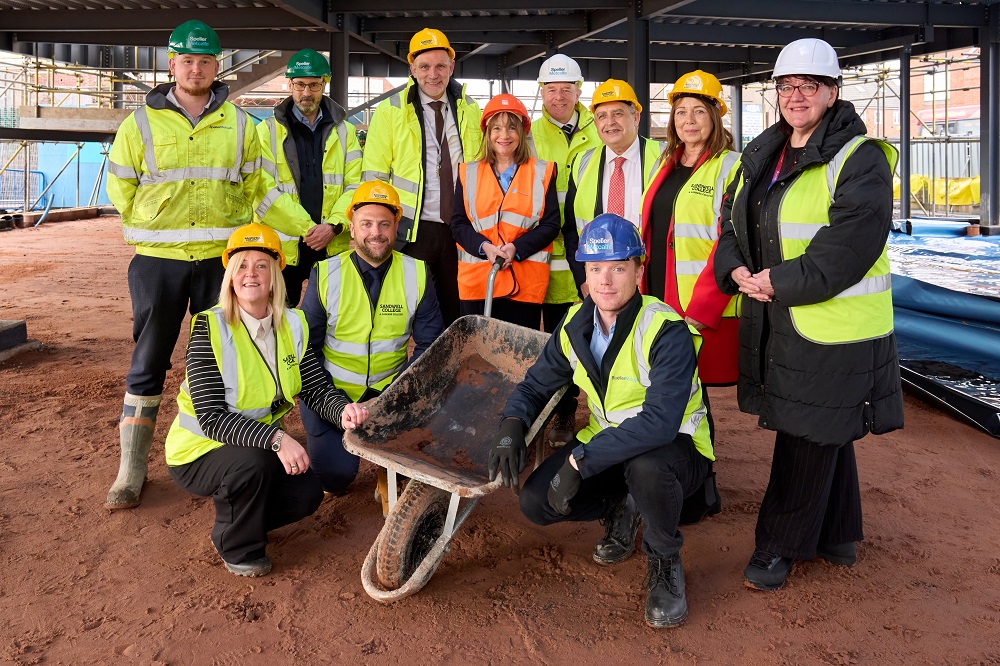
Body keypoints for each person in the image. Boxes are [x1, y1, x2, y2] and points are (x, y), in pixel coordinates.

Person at [713, 38, 903, 591]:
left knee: (806, 427)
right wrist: (736, 273)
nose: (797, 96)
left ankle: (779, 544)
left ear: (833, 92)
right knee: (824, 422)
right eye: (787, 86)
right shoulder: (765, 154)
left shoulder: (859, 157)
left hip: (834, 326)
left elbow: (849, 244)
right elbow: (731, 223)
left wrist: (778, 281)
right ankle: (838, 532)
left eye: (809, 86)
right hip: (782, 314)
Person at [489, 214, 716, 629]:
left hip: (677, 450)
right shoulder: (575, 324)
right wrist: (512, 423)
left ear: (638, 270)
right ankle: (620, 505)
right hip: (609, 444)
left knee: (647, 467)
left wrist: (580, 462)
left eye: (617, 267)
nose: (605, 280)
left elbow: (660, 424)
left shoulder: (665, 329)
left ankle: (664, 561)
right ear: (585, 273)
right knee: (536, 502)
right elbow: (536, 384)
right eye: (595, 269)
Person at [105, 20, 283, 509]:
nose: (196, 68)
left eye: (205, 61)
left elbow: (259, 191)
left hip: (221, 266)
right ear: (172, 64)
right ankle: (132, 468)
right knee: (149, 360)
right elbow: (120, 190)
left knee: (230, 357)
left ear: (217, 65)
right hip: (158, 263)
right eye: (188, 60)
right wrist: (153, 224)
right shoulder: (139, 123)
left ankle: (230, 456)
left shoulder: (243, 124)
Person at [164, 224, 369, 576]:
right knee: (252, 466)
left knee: (306, 492)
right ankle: (236, 544)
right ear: (230, 276)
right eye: (242, 265)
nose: (251, 274)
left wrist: (343, 411)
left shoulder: (293, 324)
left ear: (275, 275)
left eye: (261, 265)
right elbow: (211, 417)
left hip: (256, 448)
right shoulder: (208, 328)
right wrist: (277, 439)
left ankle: (238, 512)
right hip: (199, 451)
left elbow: (316, 388)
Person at [300, 181, 443, 495]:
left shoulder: (417, 273)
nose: (375, 232)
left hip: (390, 393)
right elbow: (304, 351)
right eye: (366, 224)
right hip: (332, 393)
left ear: (395, 229)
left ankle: (390, 459)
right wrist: (334, 404)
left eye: (384, 224)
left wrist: (396, 397)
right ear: (351, 229)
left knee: (419, 457)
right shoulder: (325, 274)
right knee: (334, 477)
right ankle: (359, 454)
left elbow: (430, 345)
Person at [362, 28, 483, 326]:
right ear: (412, 69)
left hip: (459, 229)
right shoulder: (390, 112)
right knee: (410, 313)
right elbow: (374, 177)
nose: (433, 74)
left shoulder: (469, 109)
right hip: (412, 232)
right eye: (425, 67)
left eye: (441, 66)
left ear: (451, 67)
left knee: (459, 311)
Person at [640, 69, 741, 387]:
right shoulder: (663, 163)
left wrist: (703, 306)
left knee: (691, 387)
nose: (689, 120)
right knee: (662, 381)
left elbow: (733, 241)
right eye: (681, 111)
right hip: (656, 293)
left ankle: (692, 440)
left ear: (714, 116)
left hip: (700, 303)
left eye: (699, 111)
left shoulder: (731, 166)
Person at [528, 54, 600, 446]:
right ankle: (535, 409)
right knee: (535, 337)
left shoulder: (599, 128)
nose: (559, 96)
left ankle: (566, 410)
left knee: (578, 337)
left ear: (579, 90)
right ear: (542, 92)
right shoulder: (529, 134)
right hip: (541, 251)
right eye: (552, 89)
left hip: (589, 253)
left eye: (566, 89)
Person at [255, 48, 362, 306]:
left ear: (324, 84)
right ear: (289, 84)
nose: (306, 92)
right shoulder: (266, 132)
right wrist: (308, 229)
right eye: (300, 84)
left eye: (314, 85)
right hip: (284, 245)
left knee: (332, 319)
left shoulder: (346, 133)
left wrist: (333, 226)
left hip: (332, 243)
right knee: (279, 318)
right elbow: (262, 190)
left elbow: (356, 185)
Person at [451, 94, 560, 329]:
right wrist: (485, 248)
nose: (504, 135)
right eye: (496, 128)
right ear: (487, 133)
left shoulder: (542, 172)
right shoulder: (467, 173)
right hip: (477, 282)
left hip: (524, 282)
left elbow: (551, 225)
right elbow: (458, 223)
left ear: (522, 132)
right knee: (476, 358)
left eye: (512, 127)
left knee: (517, 356)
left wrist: (516, 248)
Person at [564, 79, 663, 295]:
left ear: (636, 117)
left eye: (618, 113)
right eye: (602, 116)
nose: (610, 122)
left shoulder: (664, 158)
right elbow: (571, 229)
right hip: (600, 281)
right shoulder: (582, 163)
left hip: (650, 277)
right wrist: (583, 279)